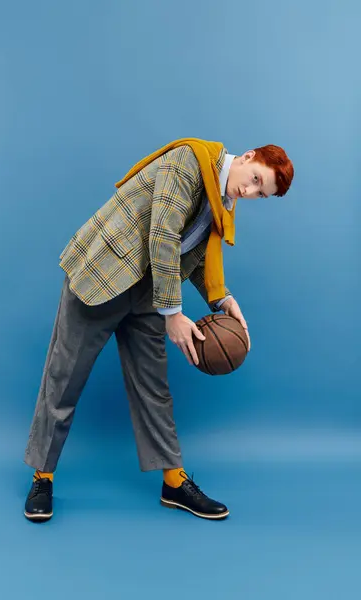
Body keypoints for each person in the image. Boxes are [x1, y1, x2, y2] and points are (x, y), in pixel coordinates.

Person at [23, 137, 294, 522]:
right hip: (104, 276)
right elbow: (164, 235)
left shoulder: (221, 201)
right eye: (254, 179)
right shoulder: (187, 161)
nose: (248, 191)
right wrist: (174, 314)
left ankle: (173, 481)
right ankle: (42, 476)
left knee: (155, 389)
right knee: (64, 378)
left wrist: (222, 299)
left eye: (259, 194)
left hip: (151, 291)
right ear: (248, 157)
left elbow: (194, 253)